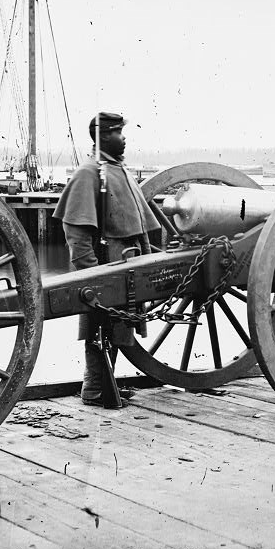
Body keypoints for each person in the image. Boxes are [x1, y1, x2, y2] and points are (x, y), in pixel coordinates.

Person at [53, 112, 160, 407]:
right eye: (117, 133)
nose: (124, 138)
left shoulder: (117, 170)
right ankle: (94, 388)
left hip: (127, 265)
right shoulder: (89, 173)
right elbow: (77, 236)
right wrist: (93, 275)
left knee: (117, 329)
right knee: (99, 329)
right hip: (107, 268)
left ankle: (103, 384)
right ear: (104, 137)